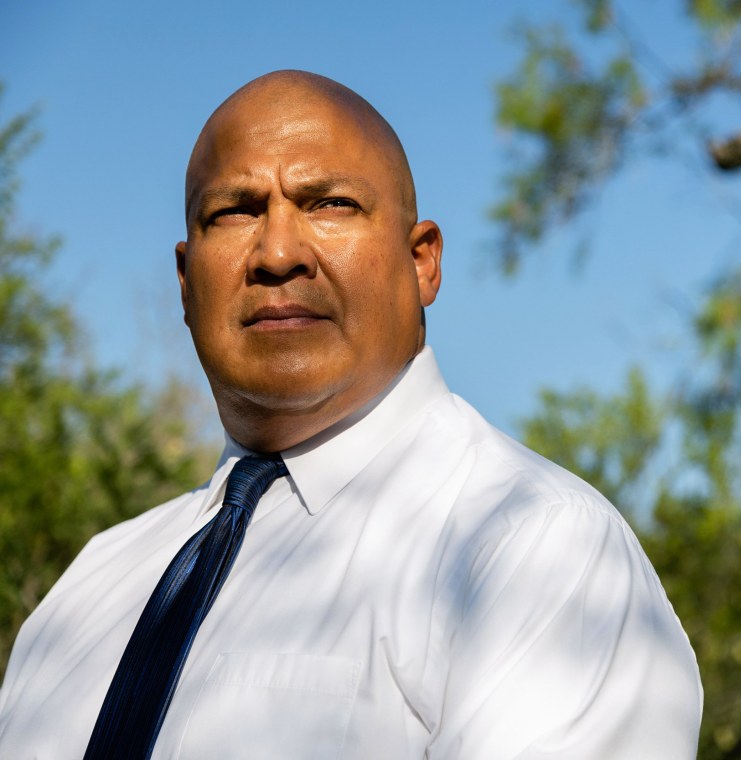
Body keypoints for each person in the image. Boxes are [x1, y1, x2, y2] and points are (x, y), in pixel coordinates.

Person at [0, 70, 702, 759]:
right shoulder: (89, 591)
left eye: (329, 204)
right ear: (186, 284)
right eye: (235, 211)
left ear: (422, 261)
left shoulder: (528, 548)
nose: (277, 253)